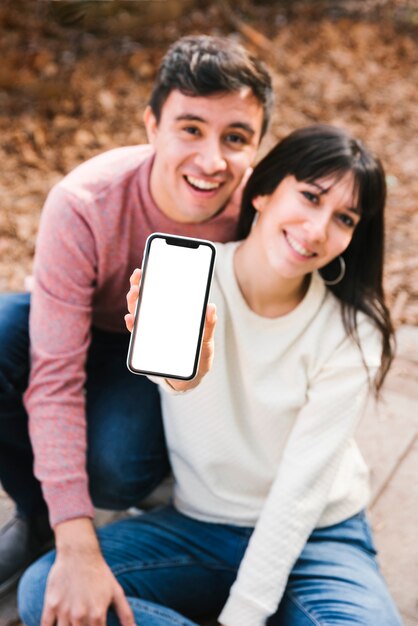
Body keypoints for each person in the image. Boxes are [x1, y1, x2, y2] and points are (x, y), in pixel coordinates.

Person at [19, 125, 402, 626]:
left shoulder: (350, 330)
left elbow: (299, 492)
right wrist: (181, 380)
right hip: (201, 526)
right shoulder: (186, 279)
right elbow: (175, 384)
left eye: (343, 218)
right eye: (309, 197)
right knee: (47, 592)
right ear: (262, 192)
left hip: (317, 535)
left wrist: (241, 615)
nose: (316, 229)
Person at [0, 33, 273, 612]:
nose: (211, 161)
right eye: (190, 128)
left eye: (236, 138)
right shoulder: (85, 203)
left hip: (174, 365)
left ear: (257, 148)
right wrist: (77, 544)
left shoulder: (260, 214)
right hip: (84, 329)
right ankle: (42, 516)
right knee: (2, 330)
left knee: (115, 469)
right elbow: (54, 376)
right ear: (151, 125)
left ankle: (140, 486)